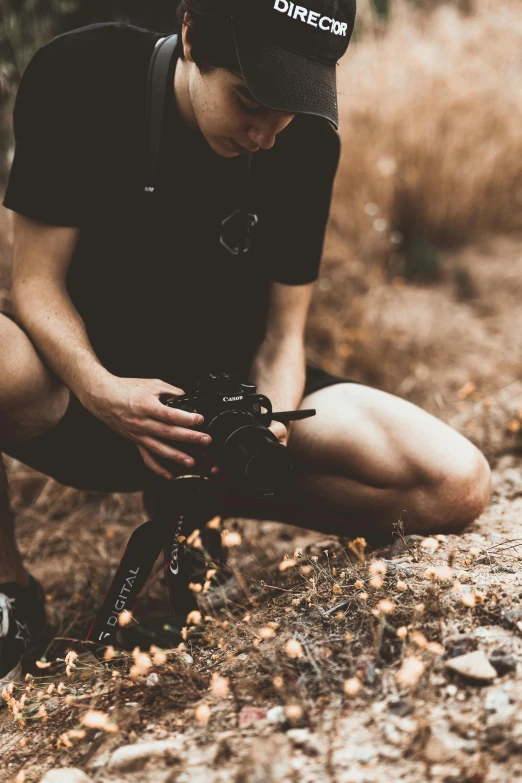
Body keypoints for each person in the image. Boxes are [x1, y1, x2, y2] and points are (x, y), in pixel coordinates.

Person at [0, 0, 490, 683]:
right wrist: (105, 392)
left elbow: (282, 338)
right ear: (193, 32)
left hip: (224, 416)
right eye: (251, 100)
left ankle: (202, 503)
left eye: (290, 106)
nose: (267, 132)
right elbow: (35, 288)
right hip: (81, 397)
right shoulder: (80, 74)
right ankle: (11, 592)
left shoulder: (306, 140)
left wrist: (264, 432)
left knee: (456, 483)